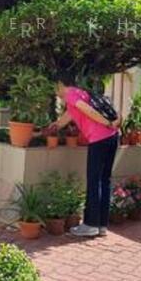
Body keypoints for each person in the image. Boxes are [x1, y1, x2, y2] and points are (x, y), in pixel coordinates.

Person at [49, 80, 120, 237]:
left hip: (99, 139)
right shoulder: (81, 92)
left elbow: (87, 110)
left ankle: (91, 225)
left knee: (94, 181)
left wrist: (107, 123)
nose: (55, 92)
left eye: (54, 88)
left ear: (60, 84)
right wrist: (56, 126)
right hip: (112, 137)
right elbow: (71, 114)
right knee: (104, 181)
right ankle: (101, 225)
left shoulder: (71, 94)